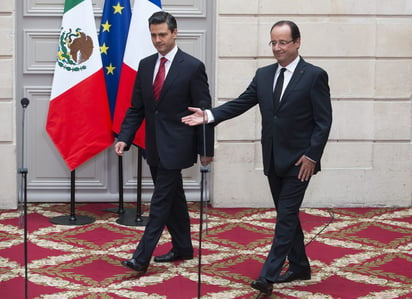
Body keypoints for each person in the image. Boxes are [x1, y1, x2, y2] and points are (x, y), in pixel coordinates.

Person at [182, 20, 332, 296]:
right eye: (273, 42)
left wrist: (312, 155)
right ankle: (300, 265)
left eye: (283, 42)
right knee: (287, 216)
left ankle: (268, 275)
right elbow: (241, 103)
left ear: (297, 42)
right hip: (273, 158)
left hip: (301, 162)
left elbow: (324, 121)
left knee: (285, 216)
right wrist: (209, 115)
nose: (277, 47)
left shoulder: (314, 76)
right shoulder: (263, 75)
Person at [114, 11, 214, 275]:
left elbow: (203, 111)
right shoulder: (146, 65)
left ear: (174, 33)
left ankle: (141, 257)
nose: (157, 40)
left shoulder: (193, 66)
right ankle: (183, 247)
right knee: (174, 198)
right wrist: (124, 137)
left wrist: (206, 149)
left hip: (178, 146)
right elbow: (137, 108)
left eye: (162, 35)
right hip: (153, 147)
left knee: (159, 202)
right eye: (153, 35)